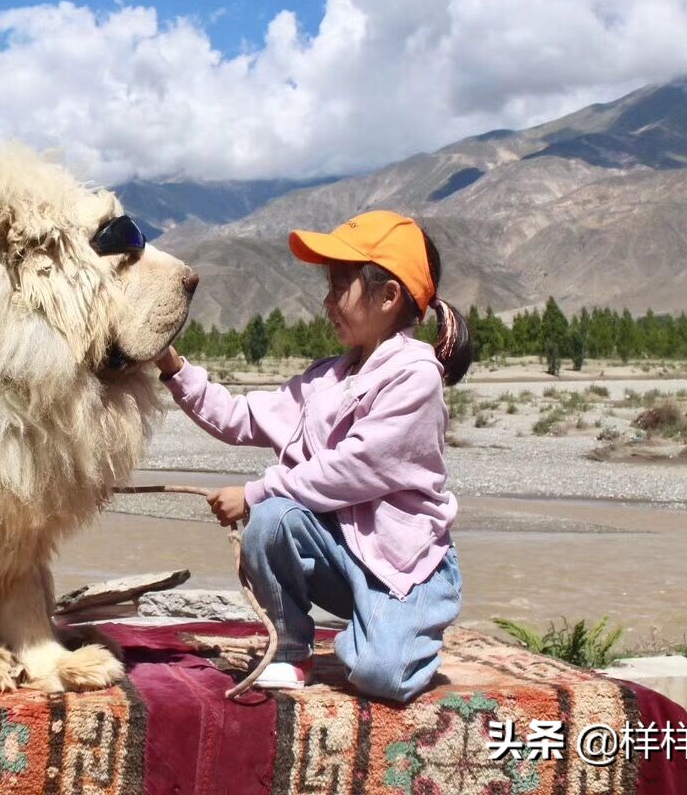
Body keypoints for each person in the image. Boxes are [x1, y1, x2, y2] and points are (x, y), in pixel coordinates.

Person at [154, 210, 472, 698]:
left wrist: (254, 491)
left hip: (400, 564)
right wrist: (174, 367)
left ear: (388, 297)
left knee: (381, 676)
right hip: (341, 554)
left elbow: (355, 468)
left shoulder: (416, 376)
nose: (328, 302)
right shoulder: (326, 378)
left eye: (340, 286)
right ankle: (290, 649)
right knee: (272, 521)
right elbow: (241, 417)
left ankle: (404, 620)